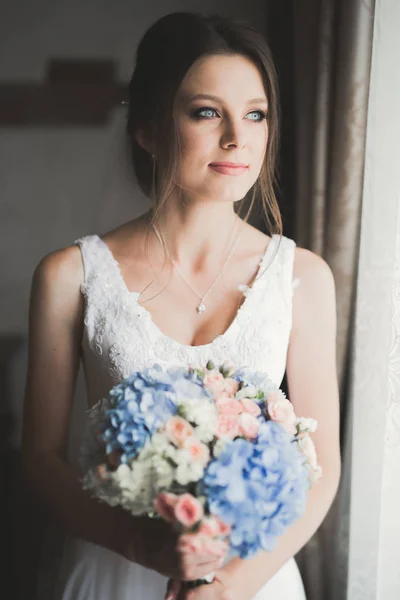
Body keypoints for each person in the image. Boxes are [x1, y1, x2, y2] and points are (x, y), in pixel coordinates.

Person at [21, 11, 341, 600]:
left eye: (255, 114)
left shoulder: (302, 277)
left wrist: (229, 586)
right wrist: (143, 547)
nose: (236, 139)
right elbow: (40, 458)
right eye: (206, 112)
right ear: (146, 126)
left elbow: (322, 473)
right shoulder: (70, 276)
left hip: (250, 581)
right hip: (112, 569)